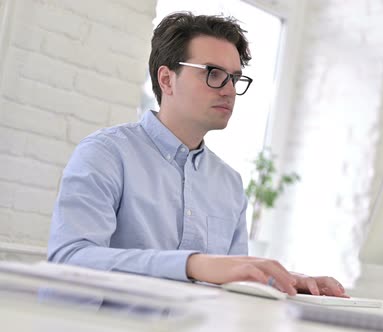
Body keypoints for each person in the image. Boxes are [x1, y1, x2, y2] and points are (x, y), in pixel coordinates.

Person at [47, 12, 347, 298]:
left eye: (234, 78)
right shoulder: (106, 154)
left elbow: (232, 285)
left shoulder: (229, 183)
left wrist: (286, 282)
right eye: (213, 73)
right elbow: (70, 260)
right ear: (166, 79)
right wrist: (192, 264)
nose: (228, 90)